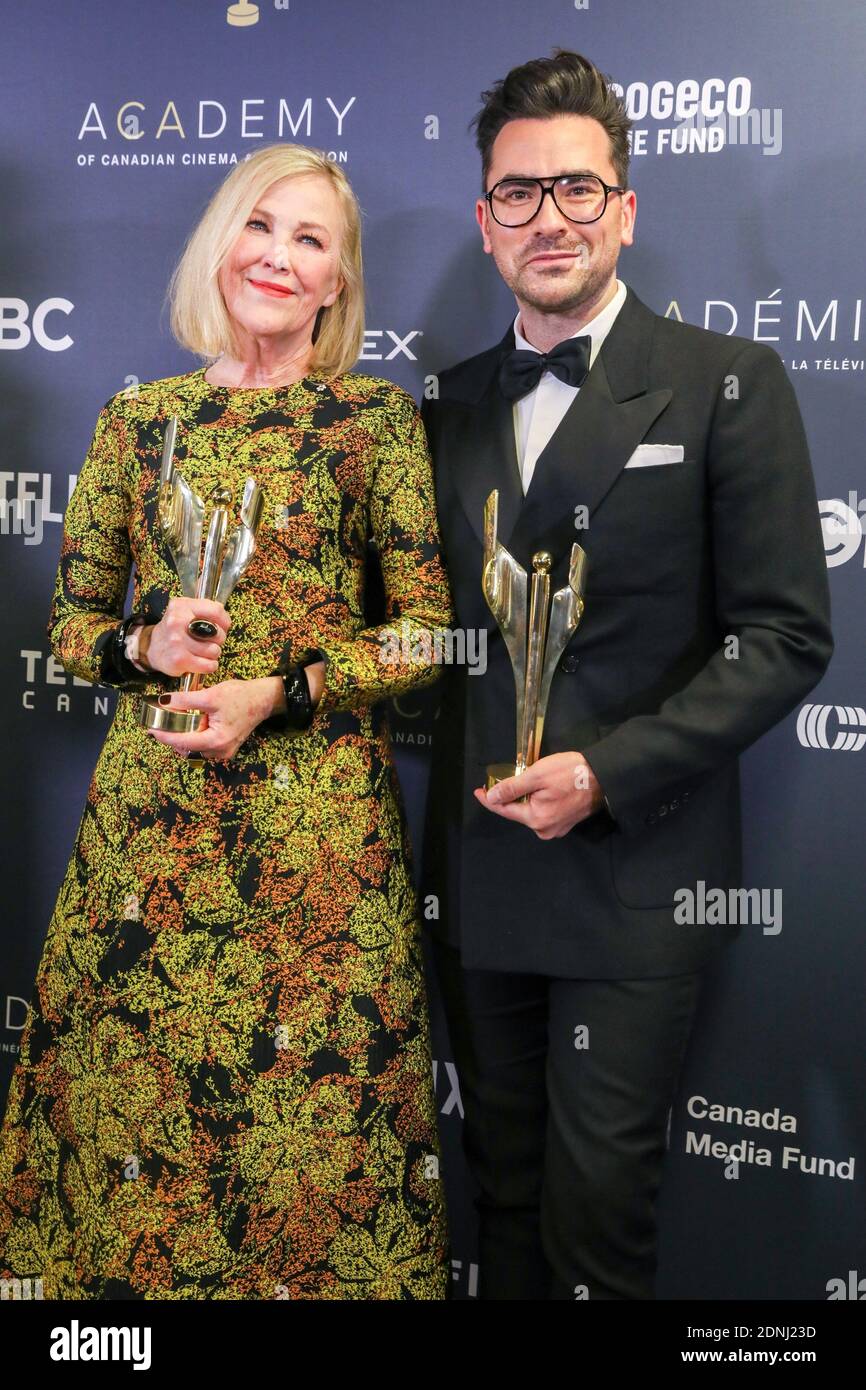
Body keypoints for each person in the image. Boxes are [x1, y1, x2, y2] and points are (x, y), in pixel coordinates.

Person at [0, 143, 453, 1300]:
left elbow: (422, 634)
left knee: (312, 1155)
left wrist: (284, 691)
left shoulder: (370, 421)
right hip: (151, 841)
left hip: (317, 859)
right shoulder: (138, 418)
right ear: (223, 242)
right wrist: (138, 647)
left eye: (311, 241)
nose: (278, 255)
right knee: (136, 1148)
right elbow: (70, 622)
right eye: (262, 226)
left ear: (337, 283)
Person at [420, 50, 833, 1300]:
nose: (547, 217)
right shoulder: (432, 410)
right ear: (483, 221)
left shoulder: (725, 385)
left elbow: (781, 637)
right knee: (496, 1201)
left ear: (625, 209)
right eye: (516, 193)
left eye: (576, 190)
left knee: (598, 1223)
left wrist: (605, 771)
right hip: (475, 876)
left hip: (635, 876)